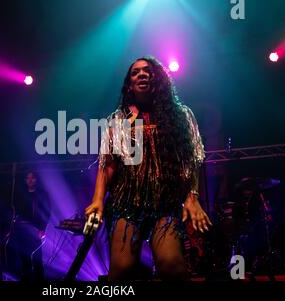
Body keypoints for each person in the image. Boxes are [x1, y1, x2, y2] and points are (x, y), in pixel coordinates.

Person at [85, 56, 212, 280]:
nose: (141, 74)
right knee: (121, 270)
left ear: (158, 78)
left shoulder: (181, 115)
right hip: (127, 204)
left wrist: (192, 198)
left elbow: (193, 159)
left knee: (172, 265)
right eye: (135, 72)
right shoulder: (118, 120)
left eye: (147, 71)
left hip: (165, 204)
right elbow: (107, 166)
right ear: (129, 85)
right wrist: (97, 202)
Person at [5, 170, 50, 281]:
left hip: (35, 230)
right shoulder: (21, 195)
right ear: (25, 180)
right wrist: (11, 230)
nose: (30, 180)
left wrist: (42, 228)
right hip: (21, 231)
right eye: (28, 178)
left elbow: (46, 212)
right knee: (24, 258)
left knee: (37, 258)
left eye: (32, 178)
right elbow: (15, 212)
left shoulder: (41, 195)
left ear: (36, 180)